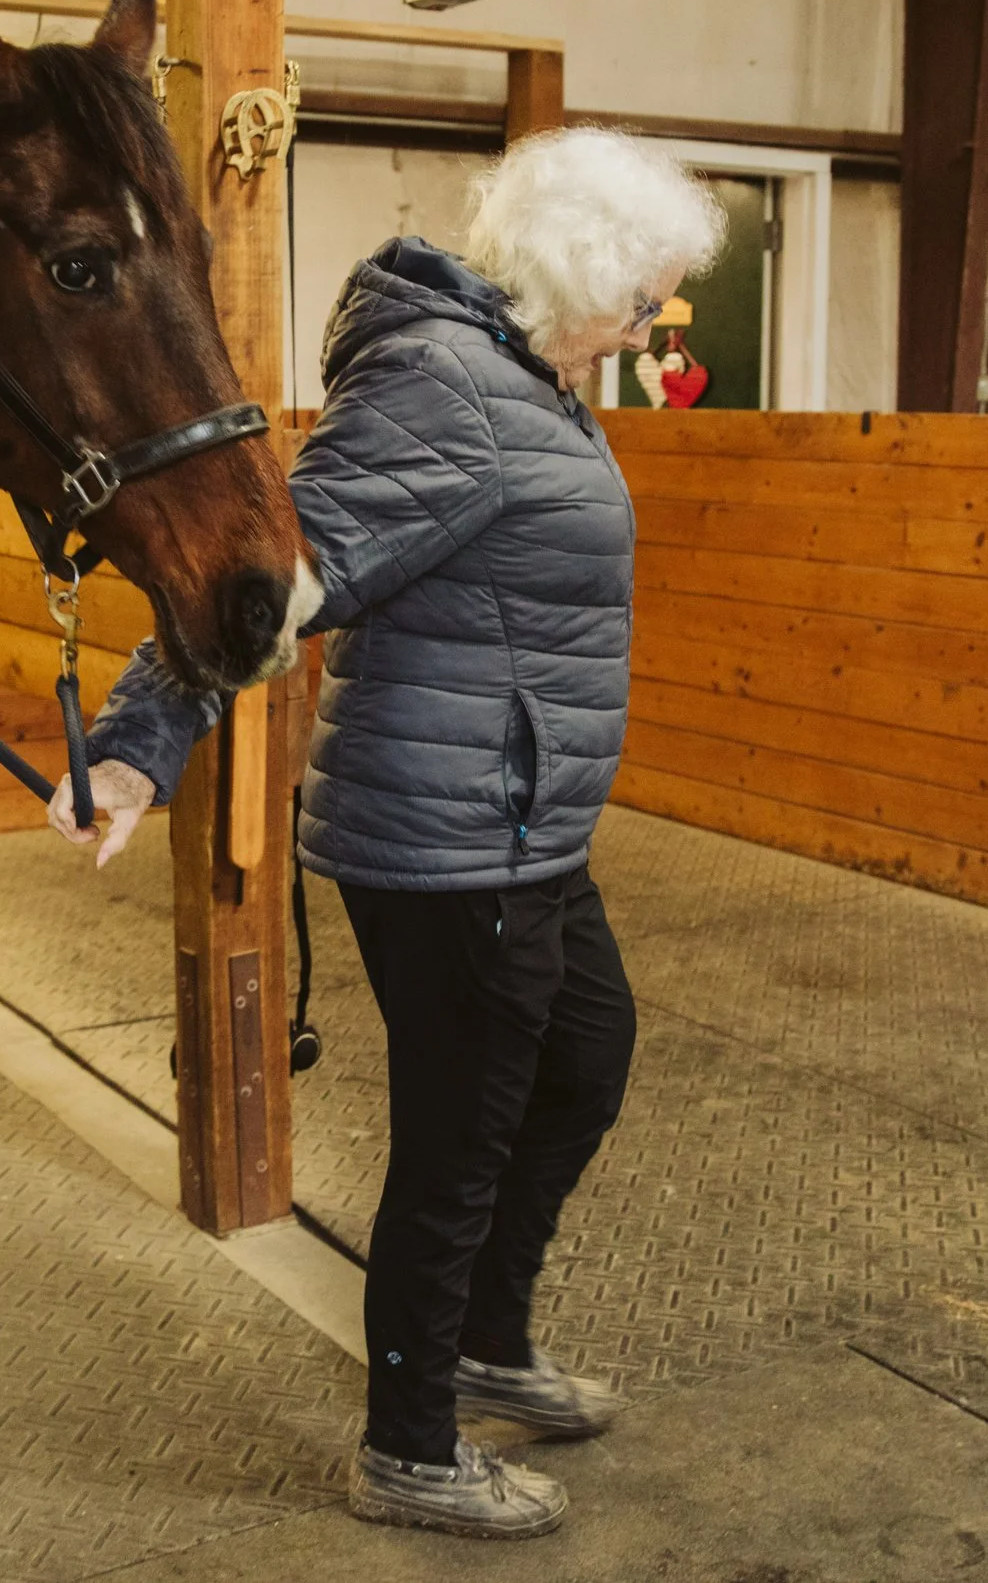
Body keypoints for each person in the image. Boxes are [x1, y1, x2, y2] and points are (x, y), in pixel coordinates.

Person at [50, 126, 724, 1541]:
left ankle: (482, 1340)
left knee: (583, 1062)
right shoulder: (450, 393)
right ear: (574, 273)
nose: (657, 314)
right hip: (453, 838)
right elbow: (268, 585)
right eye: (647, 286)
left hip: (522, 822)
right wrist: (130, 753)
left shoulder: (523, 375)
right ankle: (412, 1443)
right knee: (460, 1140)